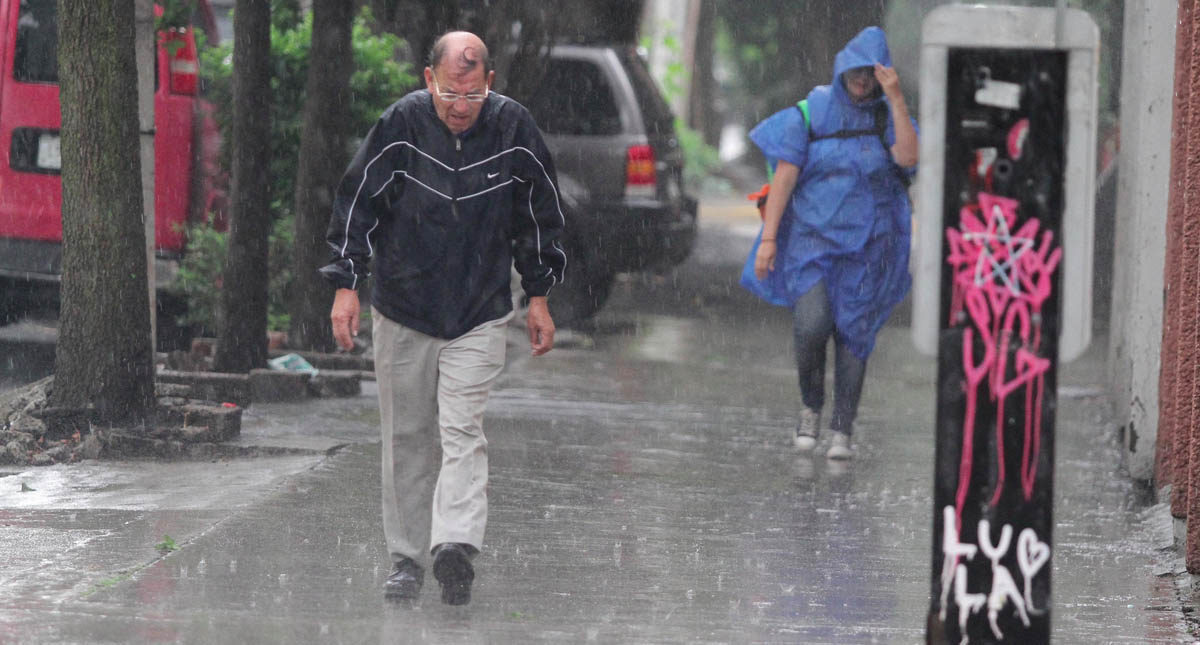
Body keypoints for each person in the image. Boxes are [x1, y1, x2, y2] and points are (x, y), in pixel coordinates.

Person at [320, 31, 566, 605]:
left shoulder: (513, 131)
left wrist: (538, 295)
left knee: (462, 432)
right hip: (404, 308)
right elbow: (356, 203)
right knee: (406, 437)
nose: (461, 108)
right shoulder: (401, 126)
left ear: (491, 84)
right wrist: (345, 285)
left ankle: (453, 546)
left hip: (479, 312)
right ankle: (406, 558)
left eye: (473, 95)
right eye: (451, 94)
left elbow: (540, 217)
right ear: (428, 79)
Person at [740, 26, 917, 461]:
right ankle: (810, 408)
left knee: (855, 337)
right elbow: (785, 177)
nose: (861, 82)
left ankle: (843, 429)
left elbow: (909, 159)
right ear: (842, 69)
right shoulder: (810, 113)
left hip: (868, 251)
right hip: (811, 247)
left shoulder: (885, 117)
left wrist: (896, 100)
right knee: (812, 326)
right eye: (855, 73)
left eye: (870, 75)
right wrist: (768, 241)